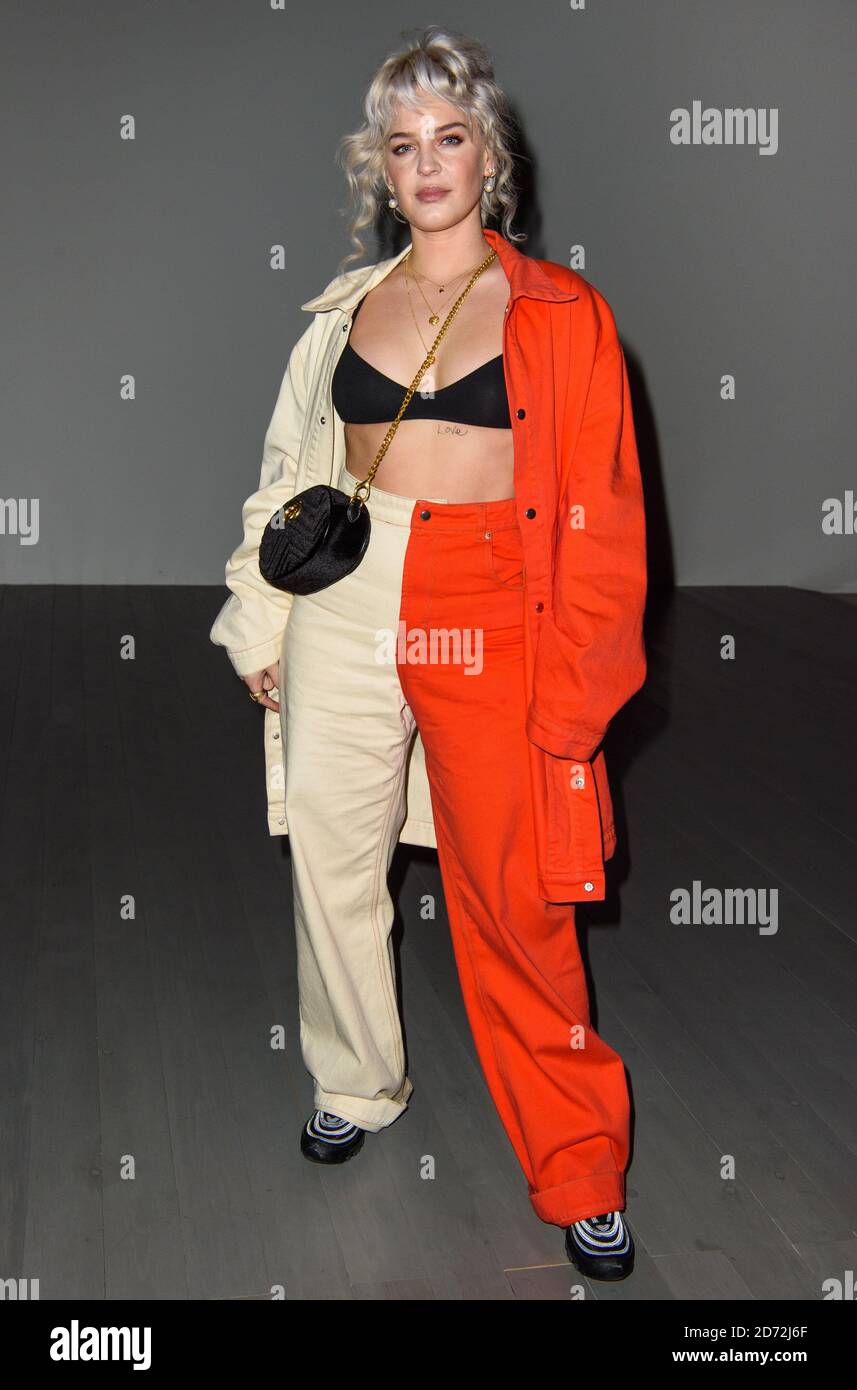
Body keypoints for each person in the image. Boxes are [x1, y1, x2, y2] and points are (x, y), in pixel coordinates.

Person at [210, 24, 647, 1282]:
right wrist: (266, 617)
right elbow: (291, 475)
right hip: (348, 592)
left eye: (448, 136)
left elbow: (608, 520)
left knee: (510, 892)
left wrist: (573, 702)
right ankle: (355, 1078)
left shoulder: (560, 314)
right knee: (333, 860)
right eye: (401, 146)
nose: (427, 162)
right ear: (379, 171)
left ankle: (576, 1160)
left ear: (487, 155)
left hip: (488, 594)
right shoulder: (343, 310)